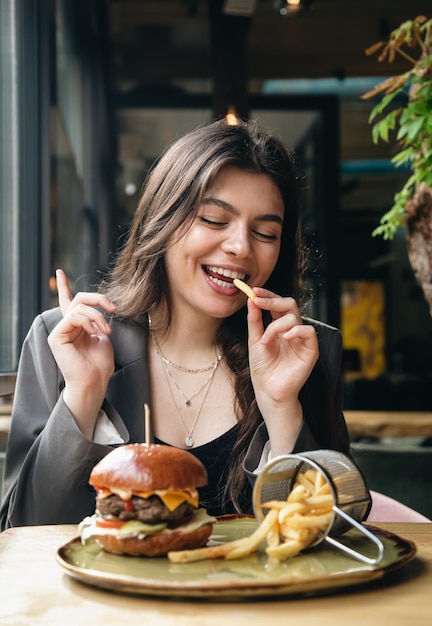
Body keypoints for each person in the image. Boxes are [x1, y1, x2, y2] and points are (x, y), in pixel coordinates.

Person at [0, 118, 350, 530]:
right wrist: (83, 394)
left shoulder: (308, 350)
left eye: (265, 232)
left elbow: (335, 535)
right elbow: (20, 533)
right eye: (215, 220)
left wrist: (282, 410)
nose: (240, 246)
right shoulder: (62, 340)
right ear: (162, 221)